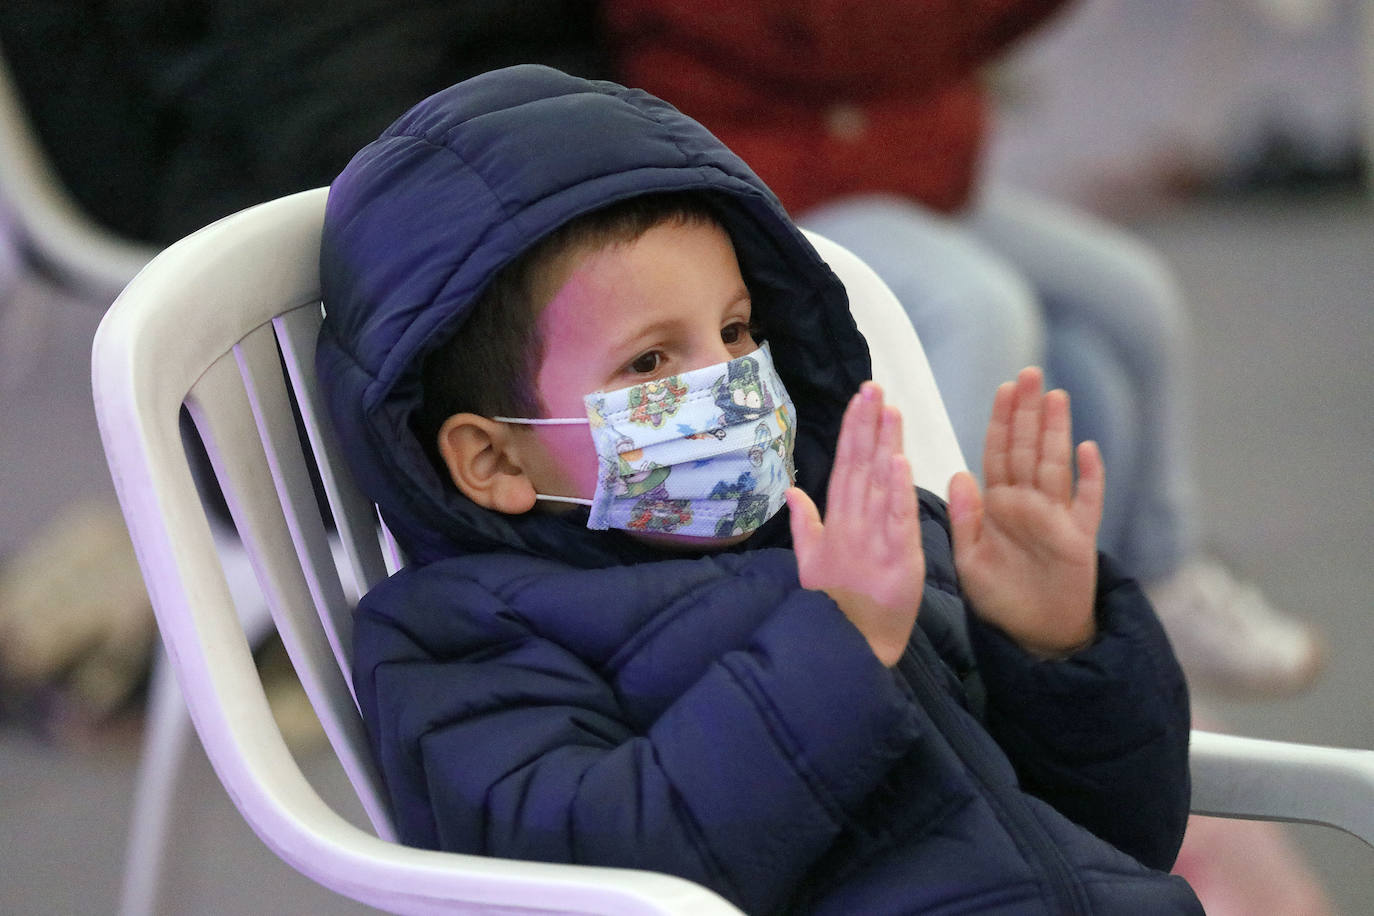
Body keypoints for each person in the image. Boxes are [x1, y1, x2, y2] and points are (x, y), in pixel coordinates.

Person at [316, 64, 1202, 914]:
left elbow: (1123, 832)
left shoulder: (877, 542)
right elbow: (600, 871)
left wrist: (1056, 647)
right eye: (652, 360)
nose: (733, 384)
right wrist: (840, 649)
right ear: (496, 460)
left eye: (738, 331)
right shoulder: (464, 637)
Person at [603, 0, 1324, 697]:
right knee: (980, 306)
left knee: (1127, 303)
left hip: (903, 165)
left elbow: (959, 38)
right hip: (774, 175)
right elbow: (851, 37)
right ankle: (940, 618)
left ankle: (1154, 580)